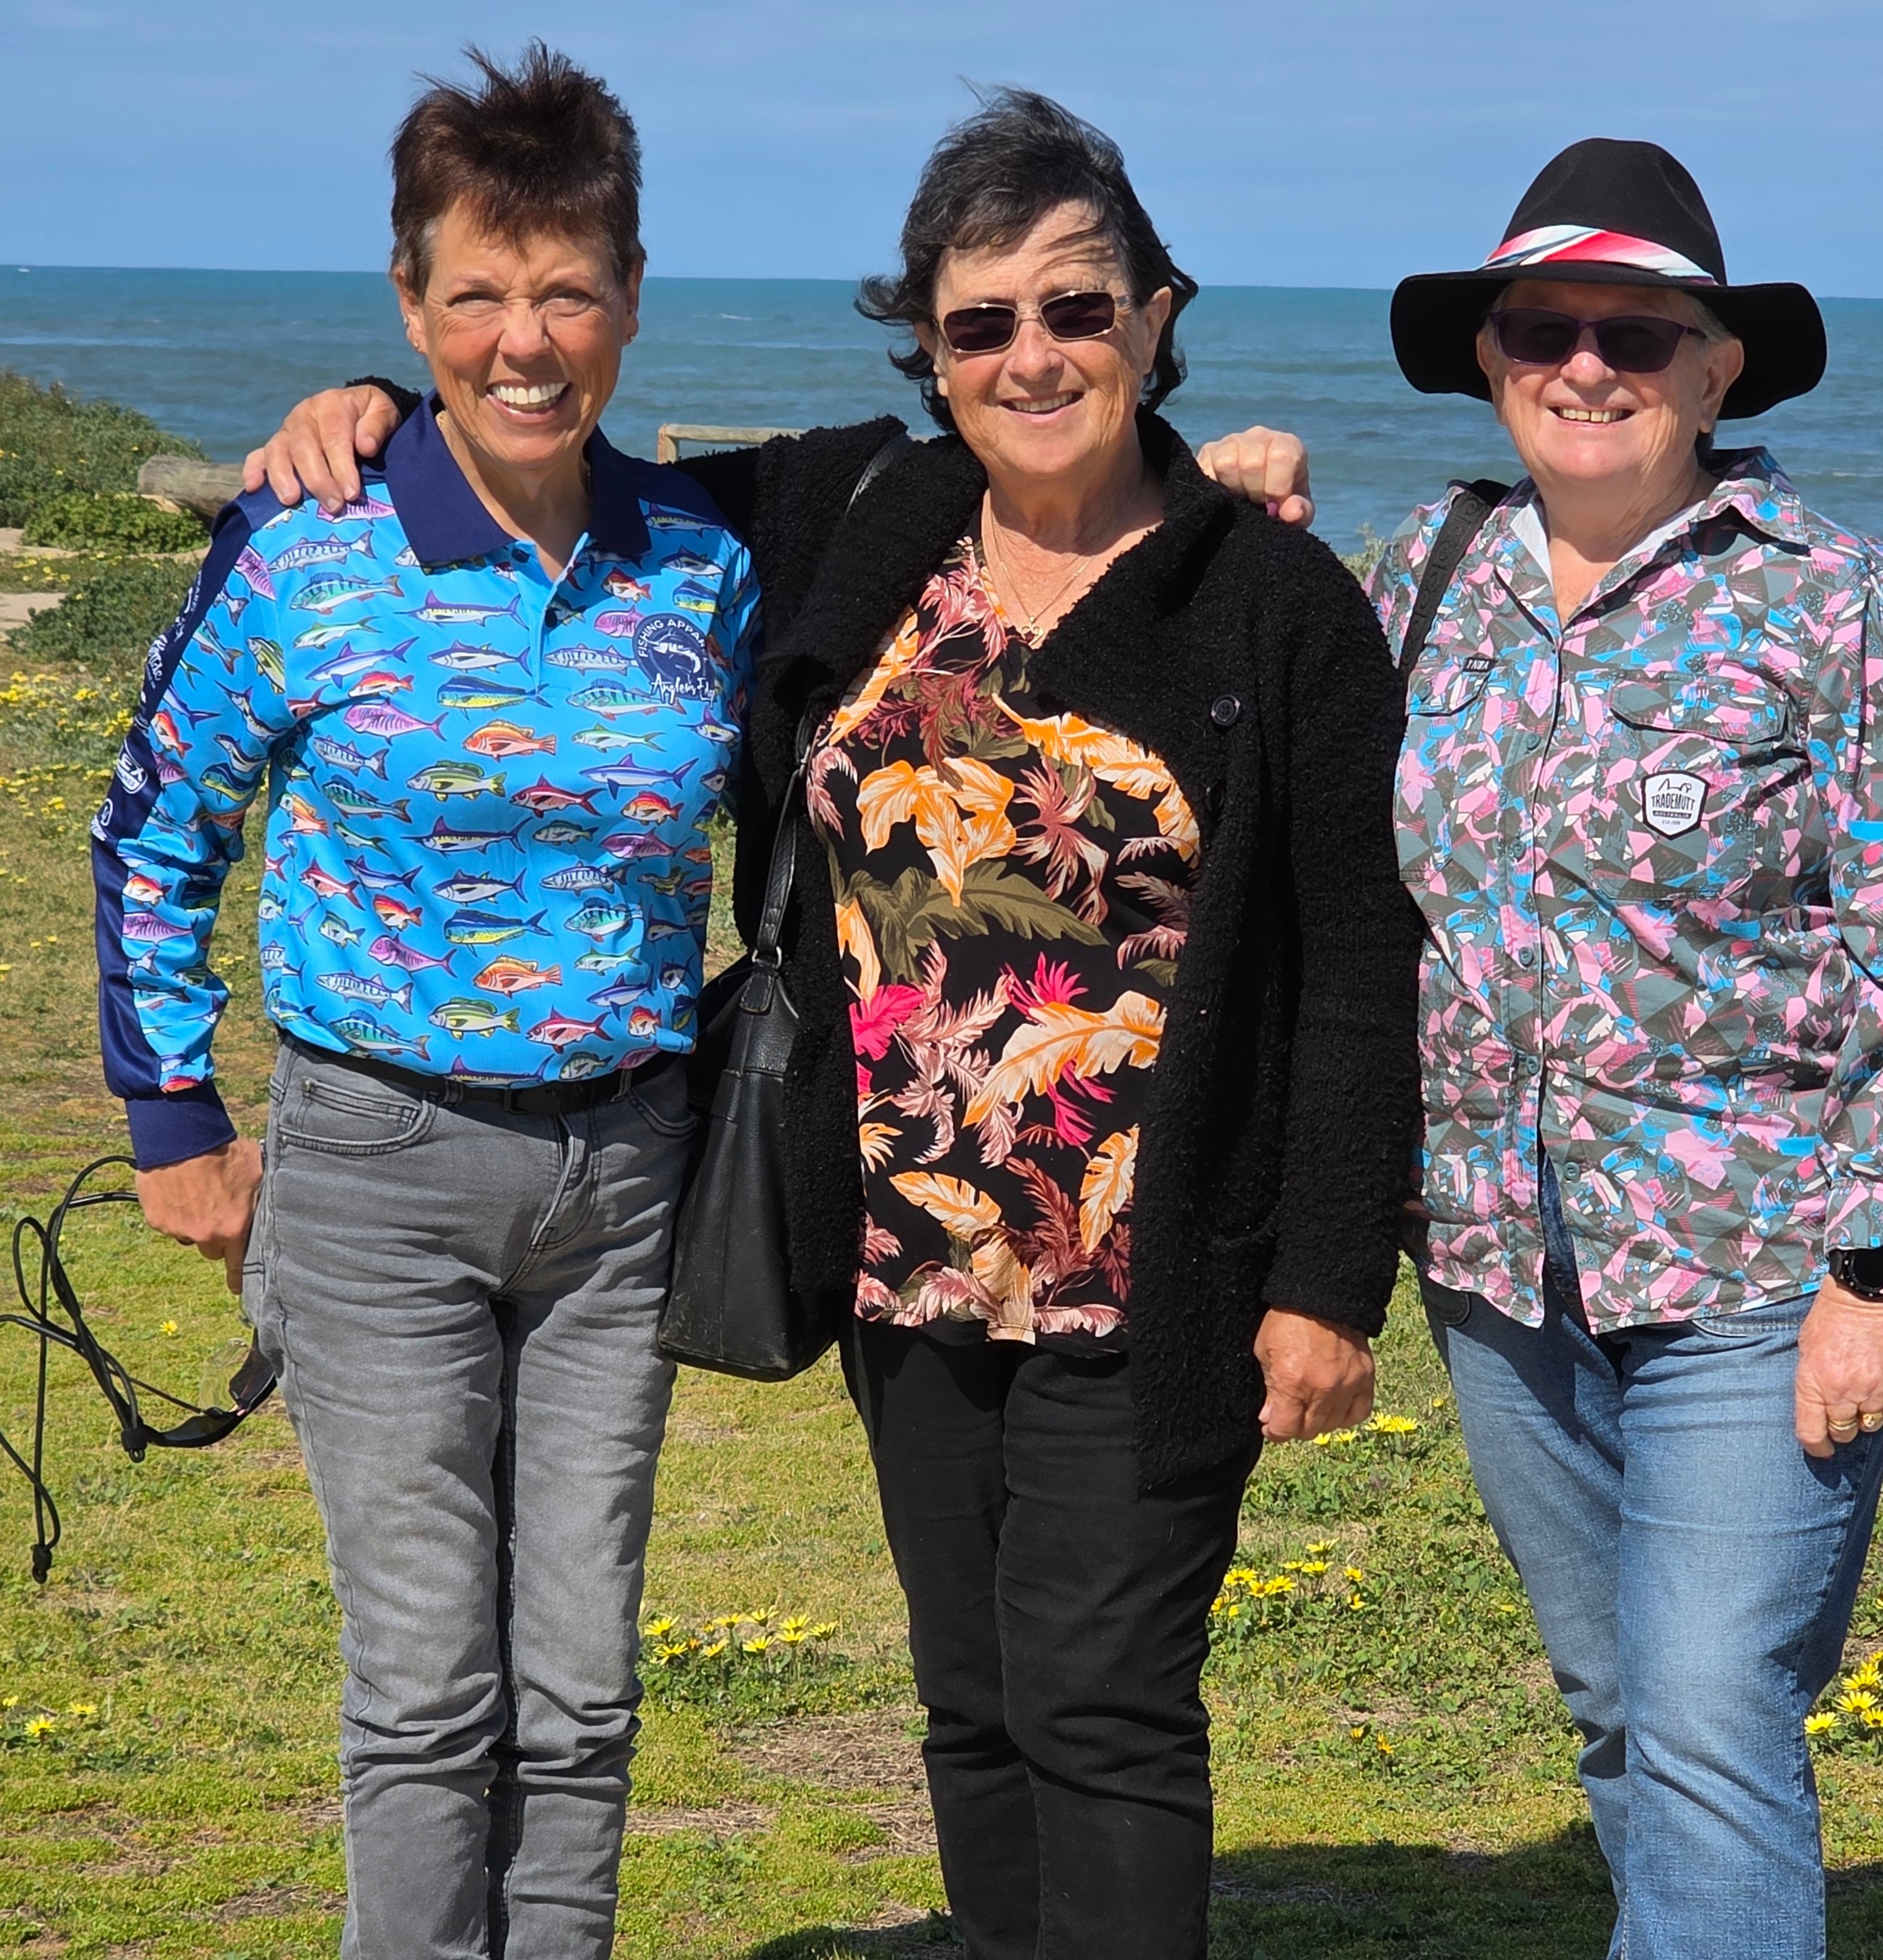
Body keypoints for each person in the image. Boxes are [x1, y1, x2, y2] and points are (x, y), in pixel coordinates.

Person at [256, 89, 1423, 1960]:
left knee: (1104, 1698)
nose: (1032, 355)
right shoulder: (858, 514)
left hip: (1158, 1266)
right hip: (905, 1262)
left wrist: (1329, 1281)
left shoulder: (1270, 600)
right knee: (972, 1698)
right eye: (982, 322)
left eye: (1078, 308)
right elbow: (548, 443)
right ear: (931, 351)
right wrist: (376, 408)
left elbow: (1362, 960)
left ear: (1154, 317)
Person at [92, 47, 761, 1959]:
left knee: (581, 1688)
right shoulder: (307, 546)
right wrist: (174, 1117)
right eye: (476, 294)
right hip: (373, 1174)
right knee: (424, 1692)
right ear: (408, 302)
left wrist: (1219, 476)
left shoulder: (704, 564)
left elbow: (982, 518)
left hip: (625, 1183)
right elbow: (153, 825)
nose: (523, 340)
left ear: (630, 296)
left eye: (566, 291)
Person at [1362, 140, 1883, 1959]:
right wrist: (1221, 487)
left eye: (1635, 336)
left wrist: (1877, 1269)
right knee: (1621, 1701)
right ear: (1490, 362)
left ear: (1716, 372)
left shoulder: (1837, 600)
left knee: (1713, 1703)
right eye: (1543, 331)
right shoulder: (1421, 577)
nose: (1585, 366)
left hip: (1766, 1268)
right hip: (1498, 1263)